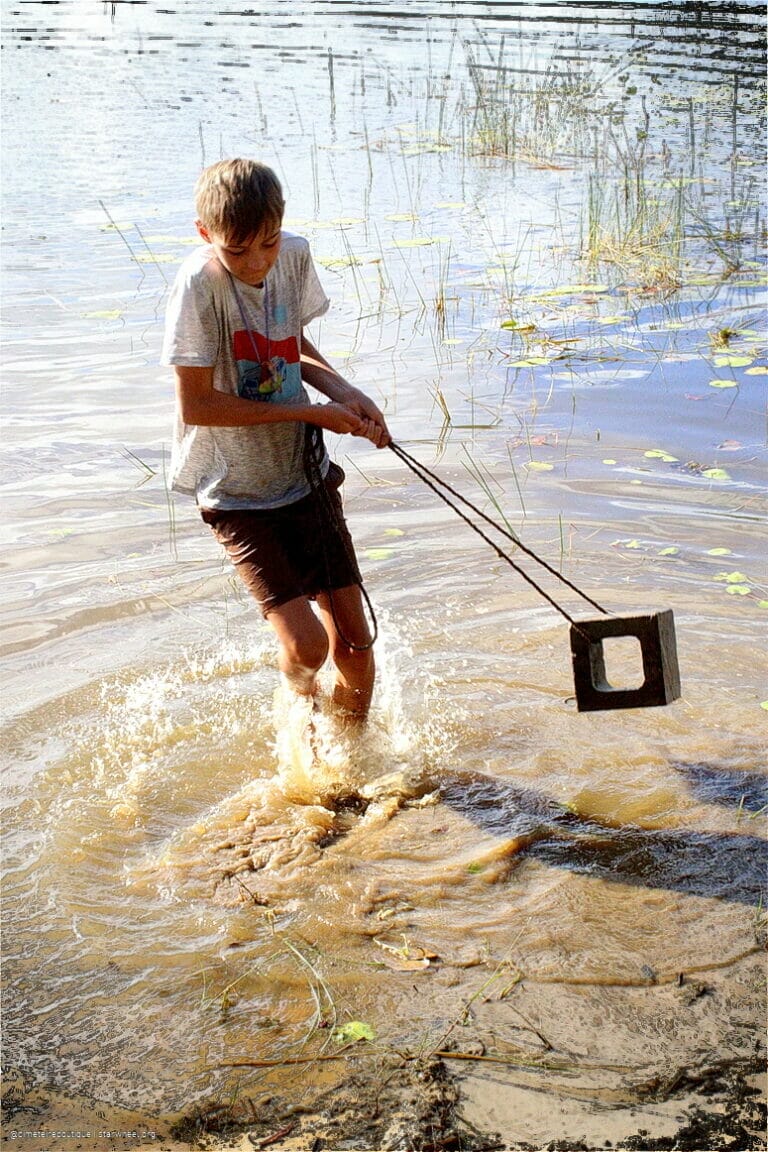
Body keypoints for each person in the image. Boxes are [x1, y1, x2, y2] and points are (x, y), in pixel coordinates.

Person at [161, 158, 390, 719]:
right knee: (308, 647)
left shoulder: (294, 255)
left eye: (267, 243)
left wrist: (343, 389)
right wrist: (312, 415)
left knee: (357, 647)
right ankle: (302, 734)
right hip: (236, 493)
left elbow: (294, 341)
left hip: (303, 478)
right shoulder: (198, 286)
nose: (257, 264)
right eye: (237, 251)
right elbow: (198, 404)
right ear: (204, 234)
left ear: (281, 226)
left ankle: (351, 761)